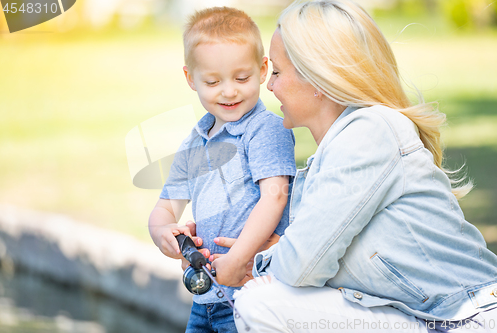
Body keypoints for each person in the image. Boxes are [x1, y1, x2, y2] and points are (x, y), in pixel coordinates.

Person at [201, 1, 497, 332]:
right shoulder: (335, 153)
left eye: (279, 73)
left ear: (317, 78)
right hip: (422, 318)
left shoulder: (370, 132)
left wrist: (249, 261)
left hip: (469, 319)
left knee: (260, 303)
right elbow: (313, 262)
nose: (270, 86)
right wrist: (281, 250)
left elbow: (301, 267)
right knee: (266, 300)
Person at [147, 6, 296, 333]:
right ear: (190, 79)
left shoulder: (265, 130)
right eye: (213, 81)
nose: (229, 91)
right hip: (206, 301)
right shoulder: (194, 142)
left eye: (241, 78)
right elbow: (164, 208)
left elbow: (274, 198)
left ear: (262, 70)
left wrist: (240, 258)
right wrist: (164, 236)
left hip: (255, 294)